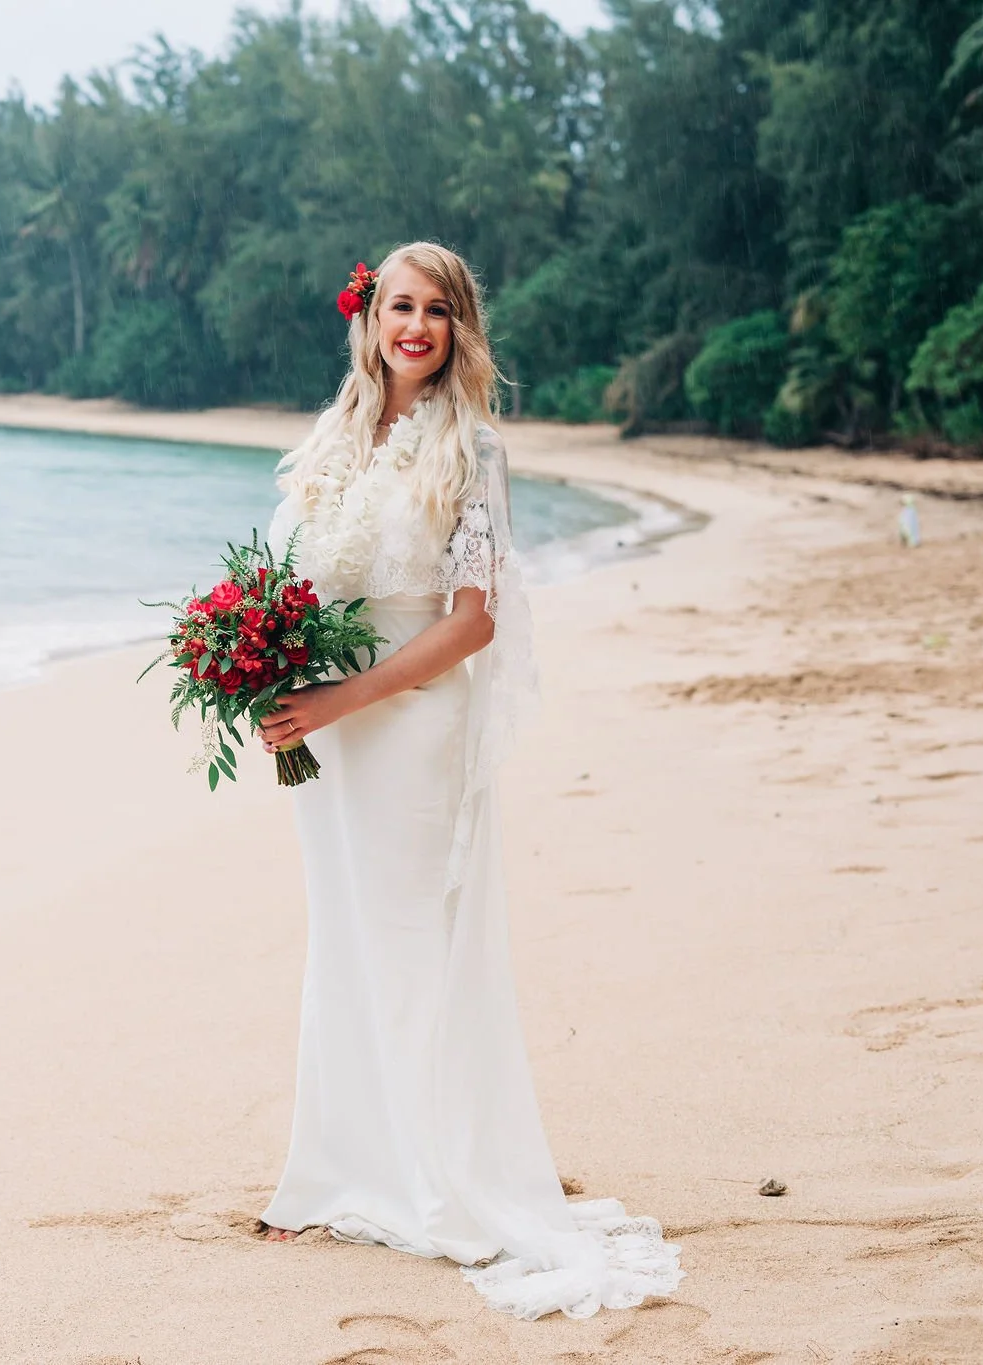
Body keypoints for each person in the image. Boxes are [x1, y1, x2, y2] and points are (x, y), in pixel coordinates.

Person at [251, 241, 684, 1320]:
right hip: (329, 730)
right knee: (343, 934)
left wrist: (345, 700)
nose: (414, 326)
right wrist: (258, 662)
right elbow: (287, 577)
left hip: (407, 722)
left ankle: (434, 1179)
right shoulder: (329, 438)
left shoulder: (472, 450)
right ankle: (334, 1172)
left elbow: (472, 623)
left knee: (407, 944)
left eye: (435, 310)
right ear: (368, 319)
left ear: (457, 329)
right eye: (399, 305)